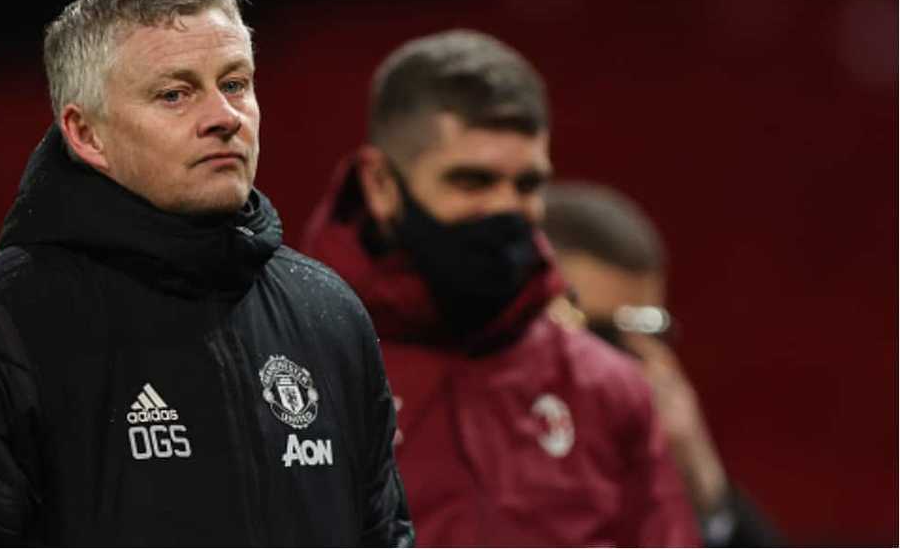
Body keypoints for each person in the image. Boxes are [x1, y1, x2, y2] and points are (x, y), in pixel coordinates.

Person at [0, 0, 413, 546]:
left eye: (235, 83)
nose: (225, 117)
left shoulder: (329, 315)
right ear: (86, 134)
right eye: (175, 94)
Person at [302, 30, 699, 546]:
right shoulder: (300, 367)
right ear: (380, 183)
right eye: (472, 181)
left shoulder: (608, 389)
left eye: (527, 185)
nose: (507, 209)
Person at [543, 181, 786, 547]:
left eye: (646, 333)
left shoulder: (653, 466)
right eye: (600, 333)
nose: (622, 363)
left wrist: (704, 485)